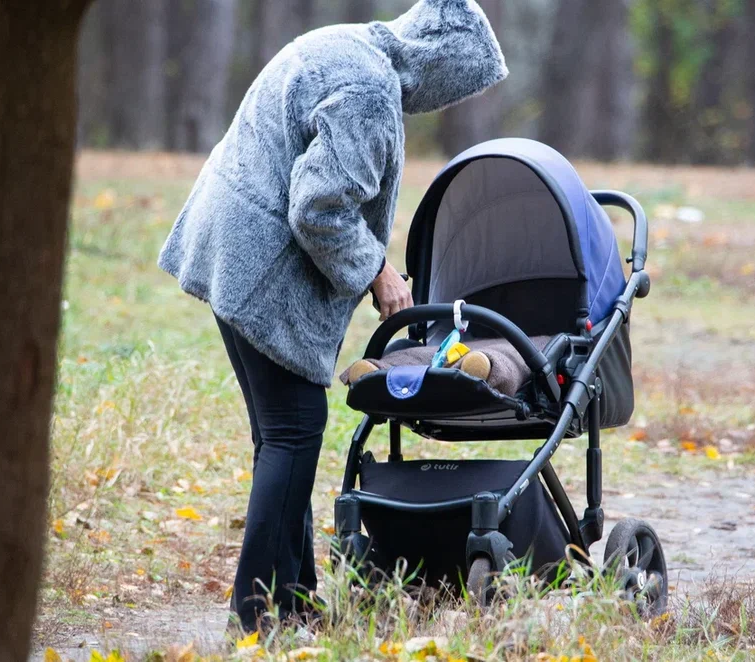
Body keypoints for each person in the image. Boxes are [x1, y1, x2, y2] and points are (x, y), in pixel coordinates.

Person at [157, 0, 507, 633]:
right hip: (258, 260)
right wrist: (379, 273)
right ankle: (259, 614)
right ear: (441, 64)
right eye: (457, 87)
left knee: (280, 432)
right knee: (294, 428)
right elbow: (317, 207)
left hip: (226, 243)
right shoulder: (372, 90)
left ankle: (292, 600)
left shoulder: (346, 43)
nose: (446, 102)